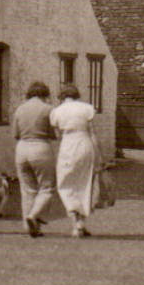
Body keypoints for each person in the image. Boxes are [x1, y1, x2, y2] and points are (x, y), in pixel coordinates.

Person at [50, 84, 102, 238]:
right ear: (76, 95)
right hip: (85, 144)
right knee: (85, 184)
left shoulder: (56, 112)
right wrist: (99, 156)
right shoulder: (86, 108)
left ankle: (75, 223)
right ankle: (81, 223)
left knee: (66, 184)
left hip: (68, 146)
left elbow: (57, 135)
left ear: (62, 97)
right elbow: (93, 134)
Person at [11, 81, 57, 237]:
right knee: (47, 188)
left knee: (27, 190)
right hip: (41, 147)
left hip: (22, 148)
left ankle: (30, 226)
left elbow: (16, 134)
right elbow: (53, 134)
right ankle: (34, 215)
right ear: (45, 94)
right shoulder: (48, 109)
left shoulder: (20, 109)